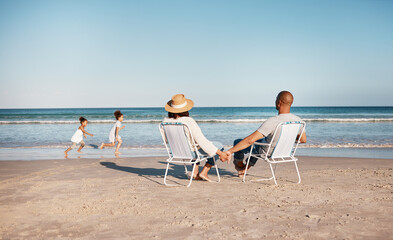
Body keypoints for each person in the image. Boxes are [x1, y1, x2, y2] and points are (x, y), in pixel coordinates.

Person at [224, 91, 307, 176]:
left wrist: (230, 151)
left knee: (239, 142)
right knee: (261, 141)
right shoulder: (299, 121)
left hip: (268, 152)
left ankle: (240, 167)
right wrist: (286, 139)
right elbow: (303, 140)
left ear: (279, 102)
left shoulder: (273, 121)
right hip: (285, 152)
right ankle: (246, 168)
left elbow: (250, 140)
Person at [163, 94, 228, 182]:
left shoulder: (165, 121)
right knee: (218, 145)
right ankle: (204, 172)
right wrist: (221, 153)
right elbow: (201, 141)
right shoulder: (188, 121)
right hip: (191, 154)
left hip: (176, 152)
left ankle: (195, 172)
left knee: (193, 144)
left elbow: (167, 140)